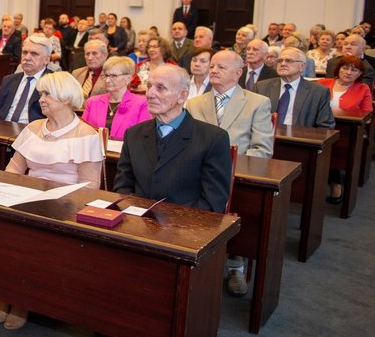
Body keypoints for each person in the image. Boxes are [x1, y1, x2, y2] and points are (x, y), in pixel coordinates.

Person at [0, 71, 103, 330]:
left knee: (29, 237)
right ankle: (5, 293)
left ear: (65, 98)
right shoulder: (33, 128)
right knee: (0, 229)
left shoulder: (85, 134)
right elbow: (14, 169)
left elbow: (90, 187)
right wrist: (4, 193)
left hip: (65, 207)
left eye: (47, 94)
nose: (41, 99)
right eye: (41, 93)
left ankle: (21, 301)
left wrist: (56, 201)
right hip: (27, 200)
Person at [187, 50, 275, 296]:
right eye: (212, 66)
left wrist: (228, 169)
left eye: (221, 67)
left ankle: (236, 264)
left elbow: (262, 149)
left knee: (245, 206)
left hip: (237, 176)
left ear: (238, 73)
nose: (213, 70)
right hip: (197, 175)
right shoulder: (194, 103)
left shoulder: (257, 103)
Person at [114, 65, 232, 212]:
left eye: (160, 88)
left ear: (182, 96)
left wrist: (171, 226)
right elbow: (122, 187)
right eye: (149, 86)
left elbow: (213, 202)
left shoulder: (212, 139)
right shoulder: (133, 134)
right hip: (137, 224)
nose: (150, 94)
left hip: (187, 228)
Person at [318, 55, 373, 204]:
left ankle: (335, 183)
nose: (348, 72)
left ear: (360, 74)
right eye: (345, 68)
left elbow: (367, 114)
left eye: (354, 70)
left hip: (349, 132)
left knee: (336, 148)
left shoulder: (363, 88)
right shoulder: (322, 83)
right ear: (338, 69)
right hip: (320, 129)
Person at [255, 47, 335, 128]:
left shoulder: (318, 92)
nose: (283, 64)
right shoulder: (261, 87)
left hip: (300, 138)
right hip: (266, 138)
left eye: (289, 61)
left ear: (302, 67)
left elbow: (326, 126)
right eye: (280, 61)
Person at [81, 57, 151, 140]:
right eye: (106, 75)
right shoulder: (92, 102)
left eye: (113, 76)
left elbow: (143, 136)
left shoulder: (141, 103)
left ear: (128, 78)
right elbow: (82, 133)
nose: (107, 80)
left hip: (126, 151)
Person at [0, 35, 52, 123]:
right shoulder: (8, 80)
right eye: (25, 52)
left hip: (33, 132)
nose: (27, 58)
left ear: (46, 60)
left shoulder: (53, 83)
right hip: (2, 130)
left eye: (34, 54)